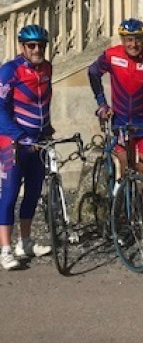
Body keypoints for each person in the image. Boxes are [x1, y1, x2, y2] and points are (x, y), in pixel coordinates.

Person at [88, 18, 143, 181]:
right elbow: (93, 72)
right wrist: (102, 103)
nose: (133, 44)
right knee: (126, 168)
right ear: (122, 40)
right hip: (121, 123)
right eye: (129, 40)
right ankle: (125, 197)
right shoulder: (111, 56)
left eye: (138, 39)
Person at [0, 24, 53, 270]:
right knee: (10, 194)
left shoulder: (47, 68)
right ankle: (5, 250)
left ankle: (26, 242)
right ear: (22, 46)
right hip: (13, 141)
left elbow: (45, 101)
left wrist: (48, 127)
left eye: (41, 45)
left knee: (33, 191)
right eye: (31, 45)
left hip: (38, 140)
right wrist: (20, 135)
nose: (37, 49)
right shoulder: (10, 70)